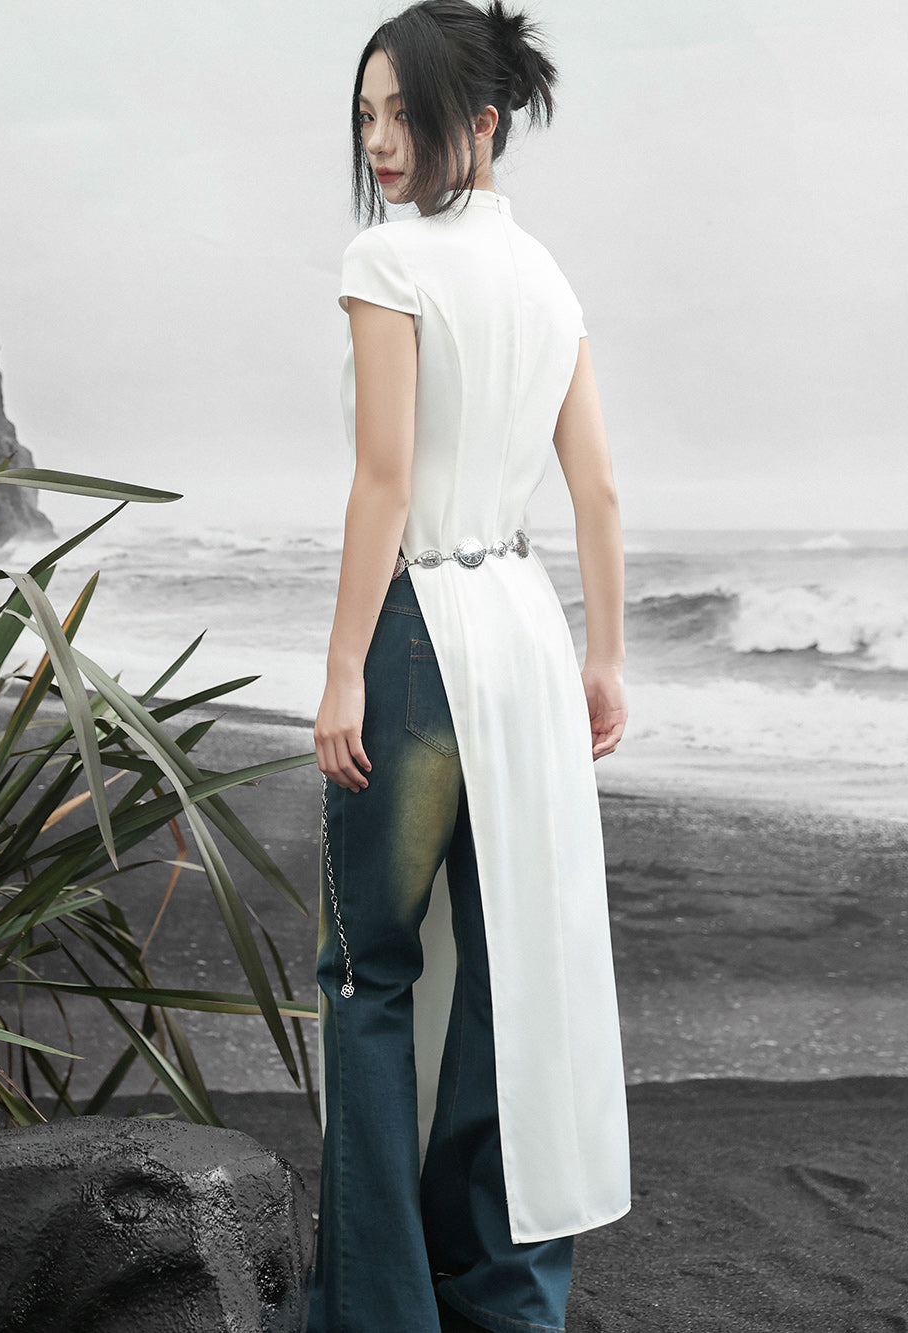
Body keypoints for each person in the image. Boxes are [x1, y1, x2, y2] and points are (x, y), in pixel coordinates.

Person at [310, 3, 631, 1329]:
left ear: (482, 124)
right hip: (525, 633)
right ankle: (501, 1293)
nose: (381, 141)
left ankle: (381, 1310)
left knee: (368, 972)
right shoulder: (547, 278)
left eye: (408, 114)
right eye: (366, 115)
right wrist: (605, 657)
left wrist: (342, 669)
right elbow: (596, 490)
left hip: (420, 632)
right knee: (511, 970)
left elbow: (385, 483)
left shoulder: (387, 260)